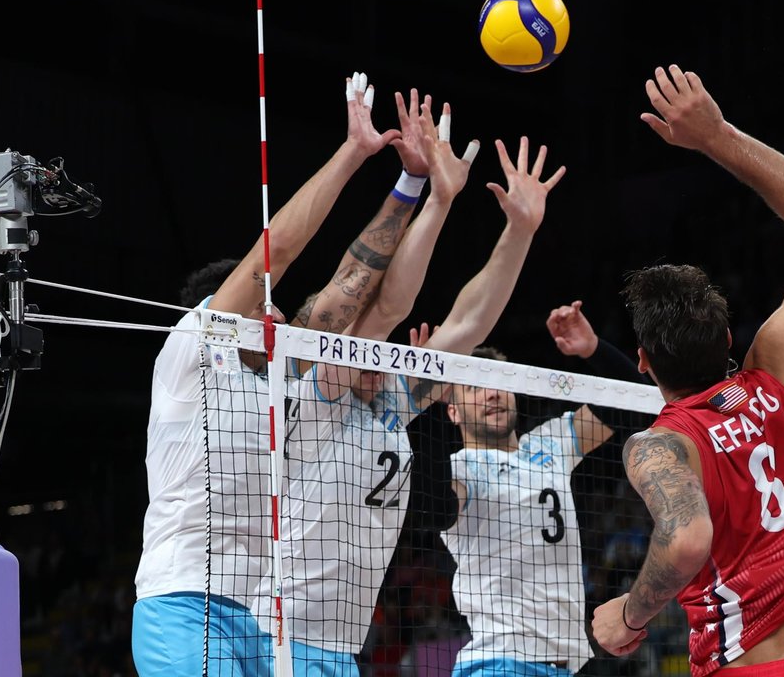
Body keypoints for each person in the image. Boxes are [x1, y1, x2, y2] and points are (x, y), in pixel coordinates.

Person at [132, 72, 437, 677]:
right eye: (264, 303)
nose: (277, 310)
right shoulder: (192, 354)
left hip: (260, 614)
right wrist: (353, 152)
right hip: (182, 601)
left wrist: (411, 184)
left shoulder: (287, 390)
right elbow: (282, 248)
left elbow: (361, 294)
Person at [590, 64, 784, 676]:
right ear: (727, 335)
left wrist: (630, 616)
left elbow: (688, 539)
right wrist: (715, 136)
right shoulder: (783, 373)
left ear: (643, 361)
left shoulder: (661, 444)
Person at [277, 123, 567, 676]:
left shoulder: (391, 401)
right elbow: (387, 305)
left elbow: (469, 321)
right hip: (282, 636)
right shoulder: (311, 395)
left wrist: (519, 230)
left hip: (342, 645)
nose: (372, 344)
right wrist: (427, 194)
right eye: (358, 335)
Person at [435, 300, 646, 677]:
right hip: (498, 661)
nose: (491, 394)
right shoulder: (455, 471)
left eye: (499, 383)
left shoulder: (549, 442)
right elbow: (432, 506)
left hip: (566, 664)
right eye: (474, 388)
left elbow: (633, 402)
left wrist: (593, 349)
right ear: (452, 411)